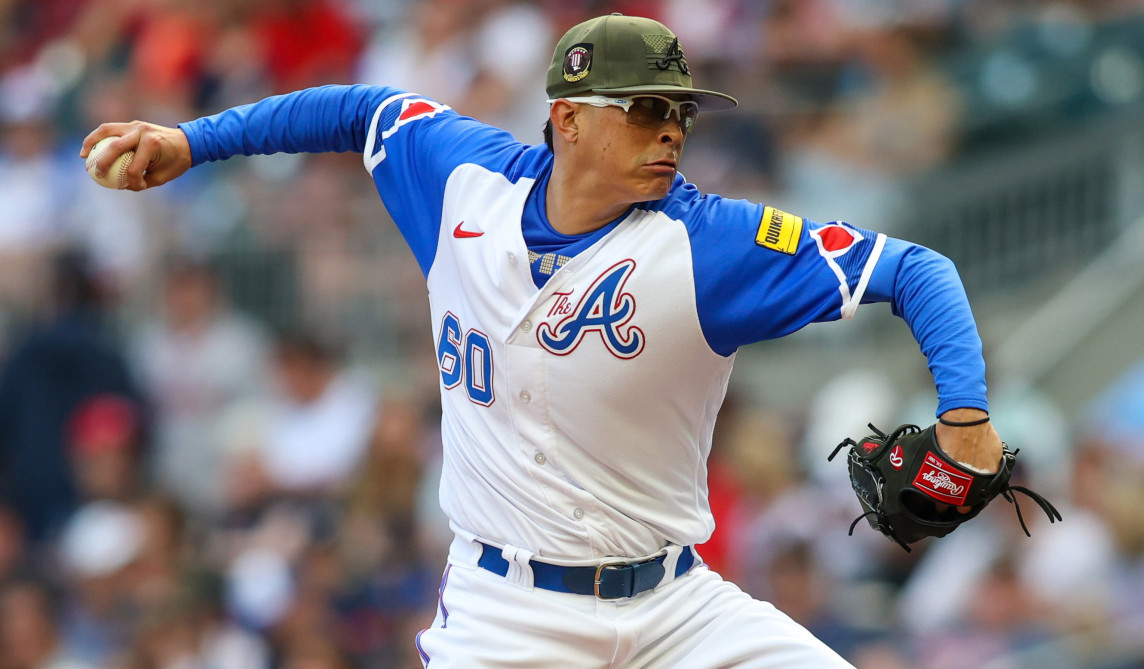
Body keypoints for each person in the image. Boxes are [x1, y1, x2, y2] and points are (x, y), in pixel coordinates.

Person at [82, 14, 1004, 668]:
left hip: (678, 607)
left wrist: (965, 415)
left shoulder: (706, 243)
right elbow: (358, 109)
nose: (670, 131)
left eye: (679, 112)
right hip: (506, 612)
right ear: (567, 117)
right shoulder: (462, 184)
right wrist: (190, 142)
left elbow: (917, 270)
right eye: (643, 110)